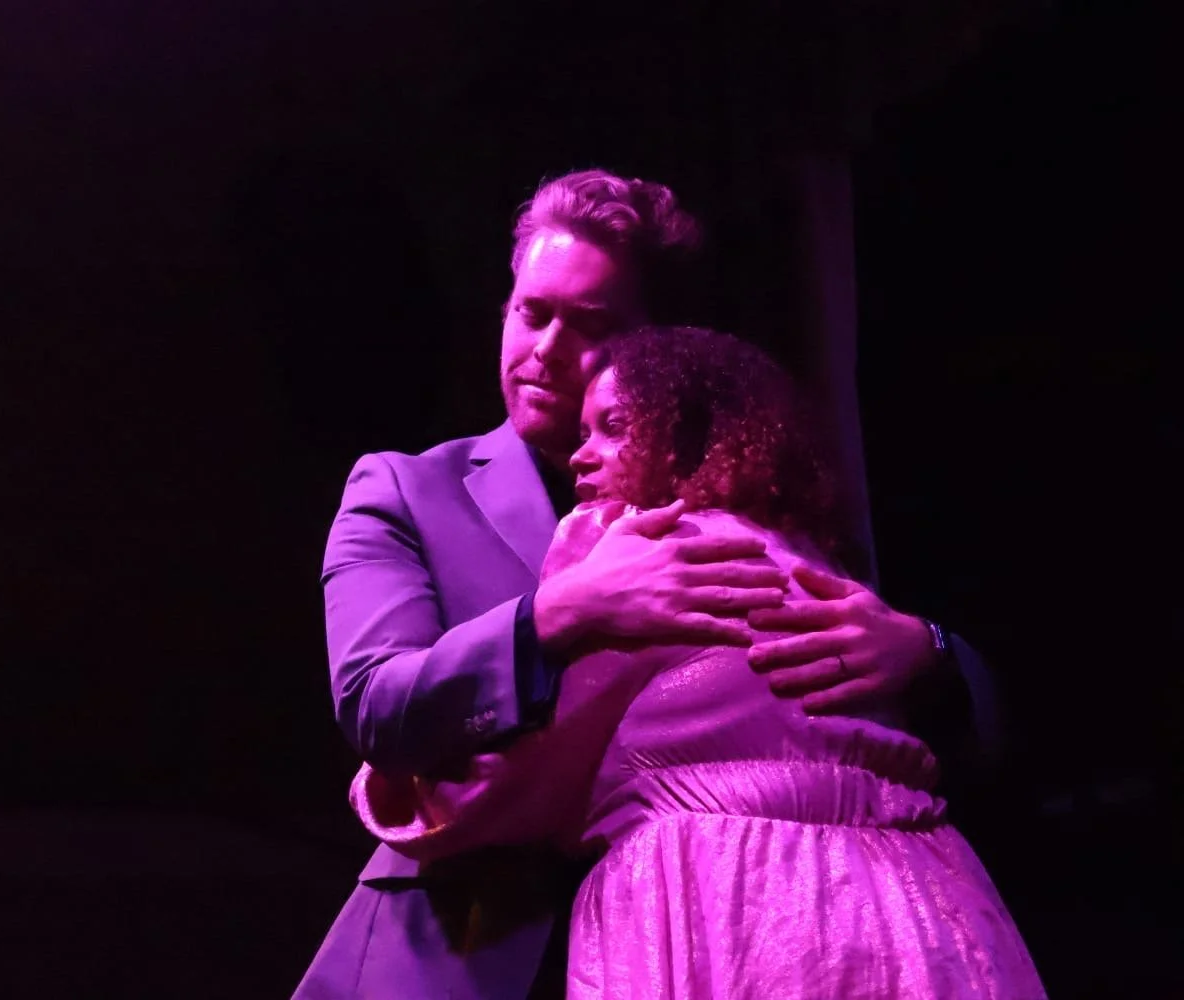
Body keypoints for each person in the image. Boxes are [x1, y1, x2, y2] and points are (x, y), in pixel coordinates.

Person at [293, 170, 994, 999]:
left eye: (591, 324)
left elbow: (881, 736)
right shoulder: (409, 488)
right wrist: (561, 614)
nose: (547, 349)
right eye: (532, 311)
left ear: (652, 340)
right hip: (461, 950)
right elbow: (377, 706)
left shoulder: (751, 503)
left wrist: (928, 650)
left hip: (713, 938)